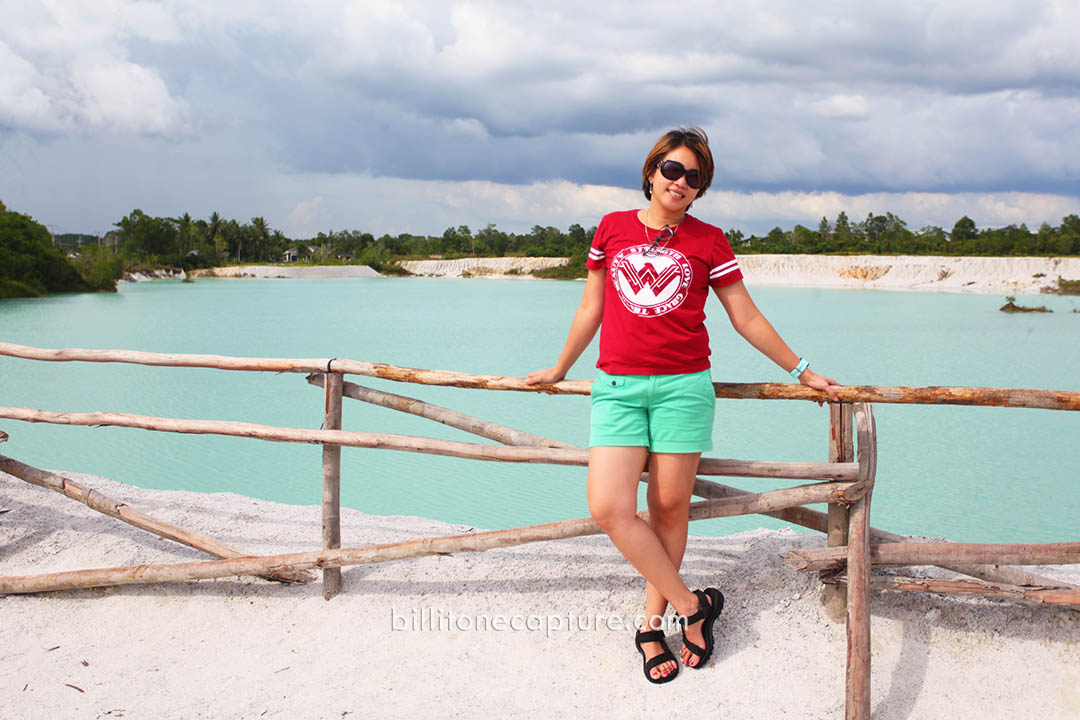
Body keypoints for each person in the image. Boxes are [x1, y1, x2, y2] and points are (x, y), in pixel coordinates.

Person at [526, 127, 841, 684]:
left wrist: (802, 371)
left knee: (669, 509)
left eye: (693, 177)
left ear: (700, 190)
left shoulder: (710, 241)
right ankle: (694, 607)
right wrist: (559, 368)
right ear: (651, 172)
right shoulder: (612, 228)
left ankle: (652, 626)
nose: (680, 182)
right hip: (619, 388)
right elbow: (590, 308)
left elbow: (745, 316)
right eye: (672, 169)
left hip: (684, 388)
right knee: (609, 507)